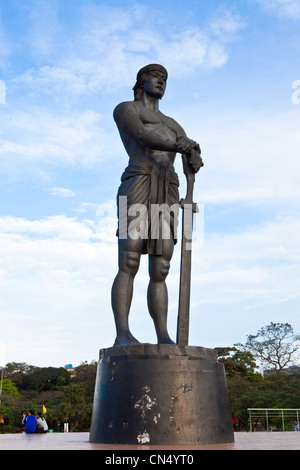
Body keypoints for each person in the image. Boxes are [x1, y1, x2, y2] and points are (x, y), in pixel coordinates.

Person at [112, 64, 203, 346]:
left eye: (165, 79)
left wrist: (194, 155)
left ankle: (164, 336)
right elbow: (141, 135)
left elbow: (190, 157)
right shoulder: (127, 109)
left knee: (161, 267)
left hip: (168, 187)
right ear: (141, 80)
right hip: (139, 180)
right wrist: (181, 146)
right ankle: (123, 334)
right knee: (130, 259)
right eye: (155, 77)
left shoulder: (174, 123)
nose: (161, 82)